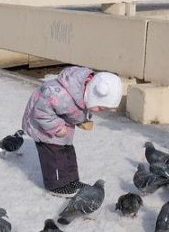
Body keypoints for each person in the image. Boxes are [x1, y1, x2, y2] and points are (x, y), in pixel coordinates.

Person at [22, 67, 123, 196]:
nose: (100, 111)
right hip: (42, 126)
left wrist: (81, 120)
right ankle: (56, 185)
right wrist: (56, 127)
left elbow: (75, 109)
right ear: (93, 93)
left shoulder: (83, 92)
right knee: (54, 156)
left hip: (61, 125)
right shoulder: (58, 94)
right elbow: (41, 113)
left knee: (68, 153)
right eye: (100, 108)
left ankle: (72, 180)